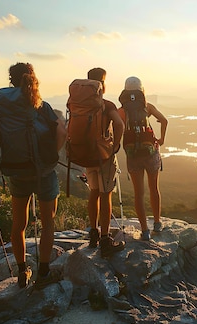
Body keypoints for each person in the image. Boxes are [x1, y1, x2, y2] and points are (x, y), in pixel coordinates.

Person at [0, 62, 67, 289]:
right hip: (43, 171)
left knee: (19, 224)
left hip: (16, 169)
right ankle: (43, 272)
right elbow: (61, 131)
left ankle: (22, 270)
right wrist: (51, 154)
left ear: (11, 80)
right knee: (48, 223)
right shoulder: (41, 106)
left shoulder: (3, 104)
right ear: (32, 78)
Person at [118, 76, 168, 240]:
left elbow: (116, 129)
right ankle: (158, 224)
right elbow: (164, 120)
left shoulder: (121, 111)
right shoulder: (148, 107)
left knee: (138, 193)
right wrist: (161, 139)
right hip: (151, 153)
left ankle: (145, 231)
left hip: (133, 156)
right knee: (154, 189)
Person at [85, 67, 126, 257]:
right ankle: (105, 238)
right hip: (104, 157)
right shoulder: (107, 104)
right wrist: (115, 145)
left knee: (93, 193)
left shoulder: (80, 104)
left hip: (87, 156)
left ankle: (93, 233)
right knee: (105, 194)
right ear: (102, 83)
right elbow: (119, 124)